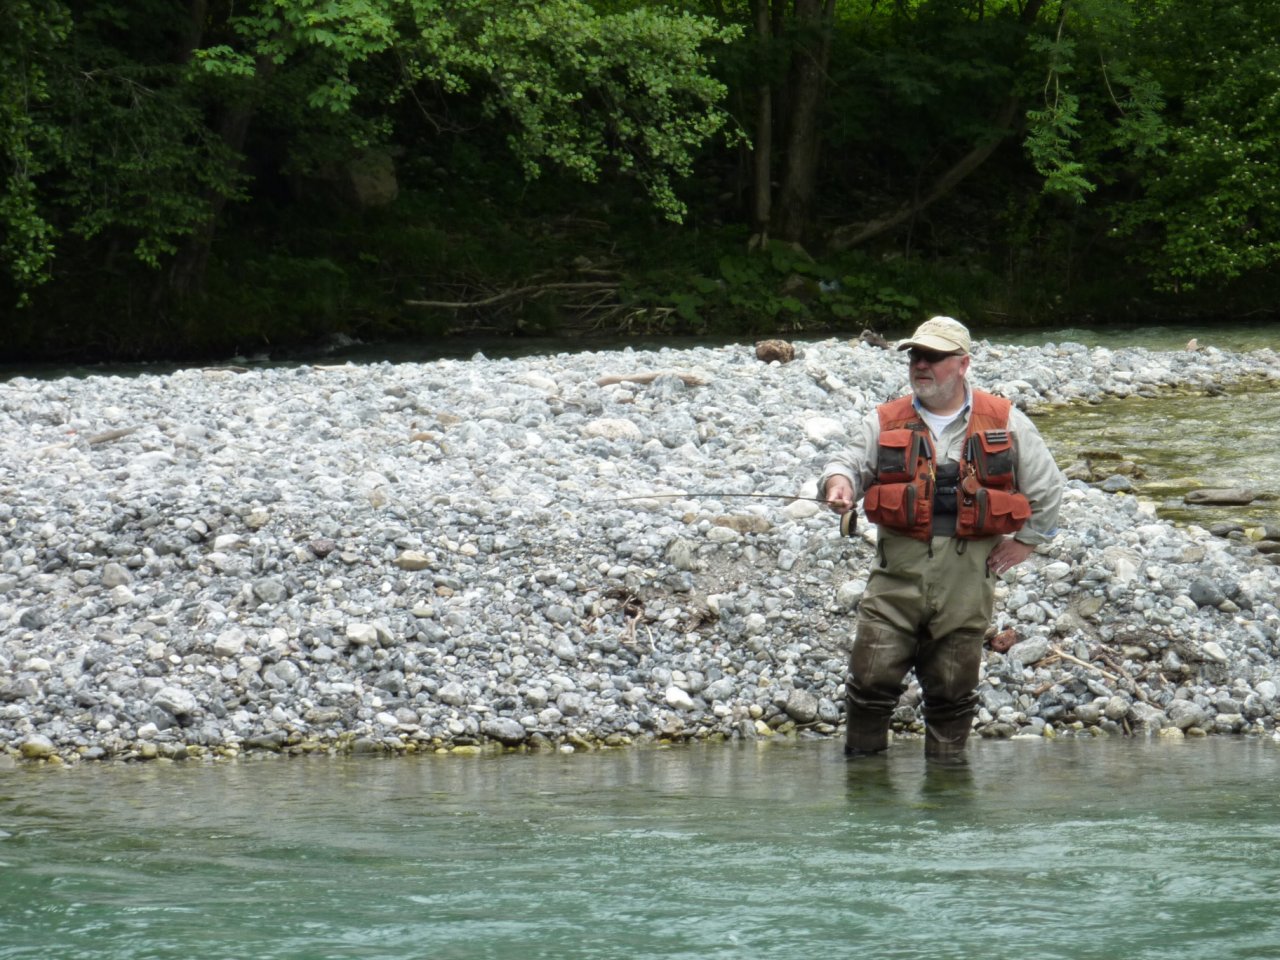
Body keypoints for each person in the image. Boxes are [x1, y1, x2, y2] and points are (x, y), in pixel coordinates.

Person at [819, 316, 1063, 762]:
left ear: (963, 363)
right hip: (896, 576)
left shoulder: (1005, 420)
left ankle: (948, 796)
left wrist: (1027, 543)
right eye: (915, 355)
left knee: (953, 690)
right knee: (869, 682)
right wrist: (839, 484)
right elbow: (847, 460)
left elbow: (1048, 489)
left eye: (932, 356)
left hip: (967, 579)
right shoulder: (885, 419)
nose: (920, 364)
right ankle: (864, 786)